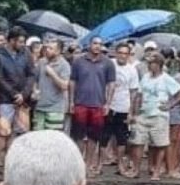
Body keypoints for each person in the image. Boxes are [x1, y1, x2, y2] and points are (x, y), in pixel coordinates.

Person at [0, 26, 35, 179]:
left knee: (19, 132)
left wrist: (24, 94)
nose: (22, 44)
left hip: (23, 99)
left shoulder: (26, 54)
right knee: (2, 131)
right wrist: (14, 94)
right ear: (11, 40)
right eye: (20, 41)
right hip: (5, 98)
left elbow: (31, 75)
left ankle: (11, 165)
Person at [69, 36, 116, 174]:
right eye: (95, 43)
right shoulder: (78, 62)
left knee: (93, 137)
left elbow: (111, 84)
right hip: (80, 103)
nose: (97, 46)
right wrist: (71, 101)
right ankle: (78, 165)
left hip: (98, 105)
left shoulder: (107, 63)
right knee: (78, 136)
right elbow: (72, 82)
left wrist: (108, 103)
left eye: (100, 44)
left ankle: (89, 165)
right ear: (89, 45)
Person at [131, 54, 180, 180]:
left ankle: (157, 171)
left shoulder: (166, 78)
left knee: (160, 144)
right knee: (138, 142)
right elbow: (139, 94)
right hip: (144, 113)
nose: (150, 66)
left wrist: (170, 105)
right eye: (149, 63)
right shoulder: (146, 77)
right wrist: (135, 112)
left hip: (159, 114)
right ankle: (136, 170)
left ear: (159, 65)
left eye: (153, 63)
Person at [102, 42, 140, 177]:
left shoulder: (132, 70)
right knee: (103, 136)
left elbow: (134, 92)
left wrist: (131, 112)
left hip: (123, 106)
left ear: (129, 55)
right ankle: (99, 164)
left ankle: (120, 164)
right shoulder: (108, 64)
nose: (123, 56)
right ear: (116, 53)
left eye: (126, 53)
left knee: (121, 138)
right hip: (107, 105)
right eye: (120, 53)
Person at [33, 39, 71, 133]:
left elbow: (64, 86)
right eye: (47, 47)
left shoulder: (64, 65)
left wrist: (52, 74)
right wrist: (34, 91)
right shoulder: (41, 62)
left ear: (58, 51)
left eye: (51, 48)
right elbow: (35, 80)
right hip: (39, 107)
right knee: (37, 137)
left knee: (52, 139)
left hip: (55, 108)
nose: (47, 50)